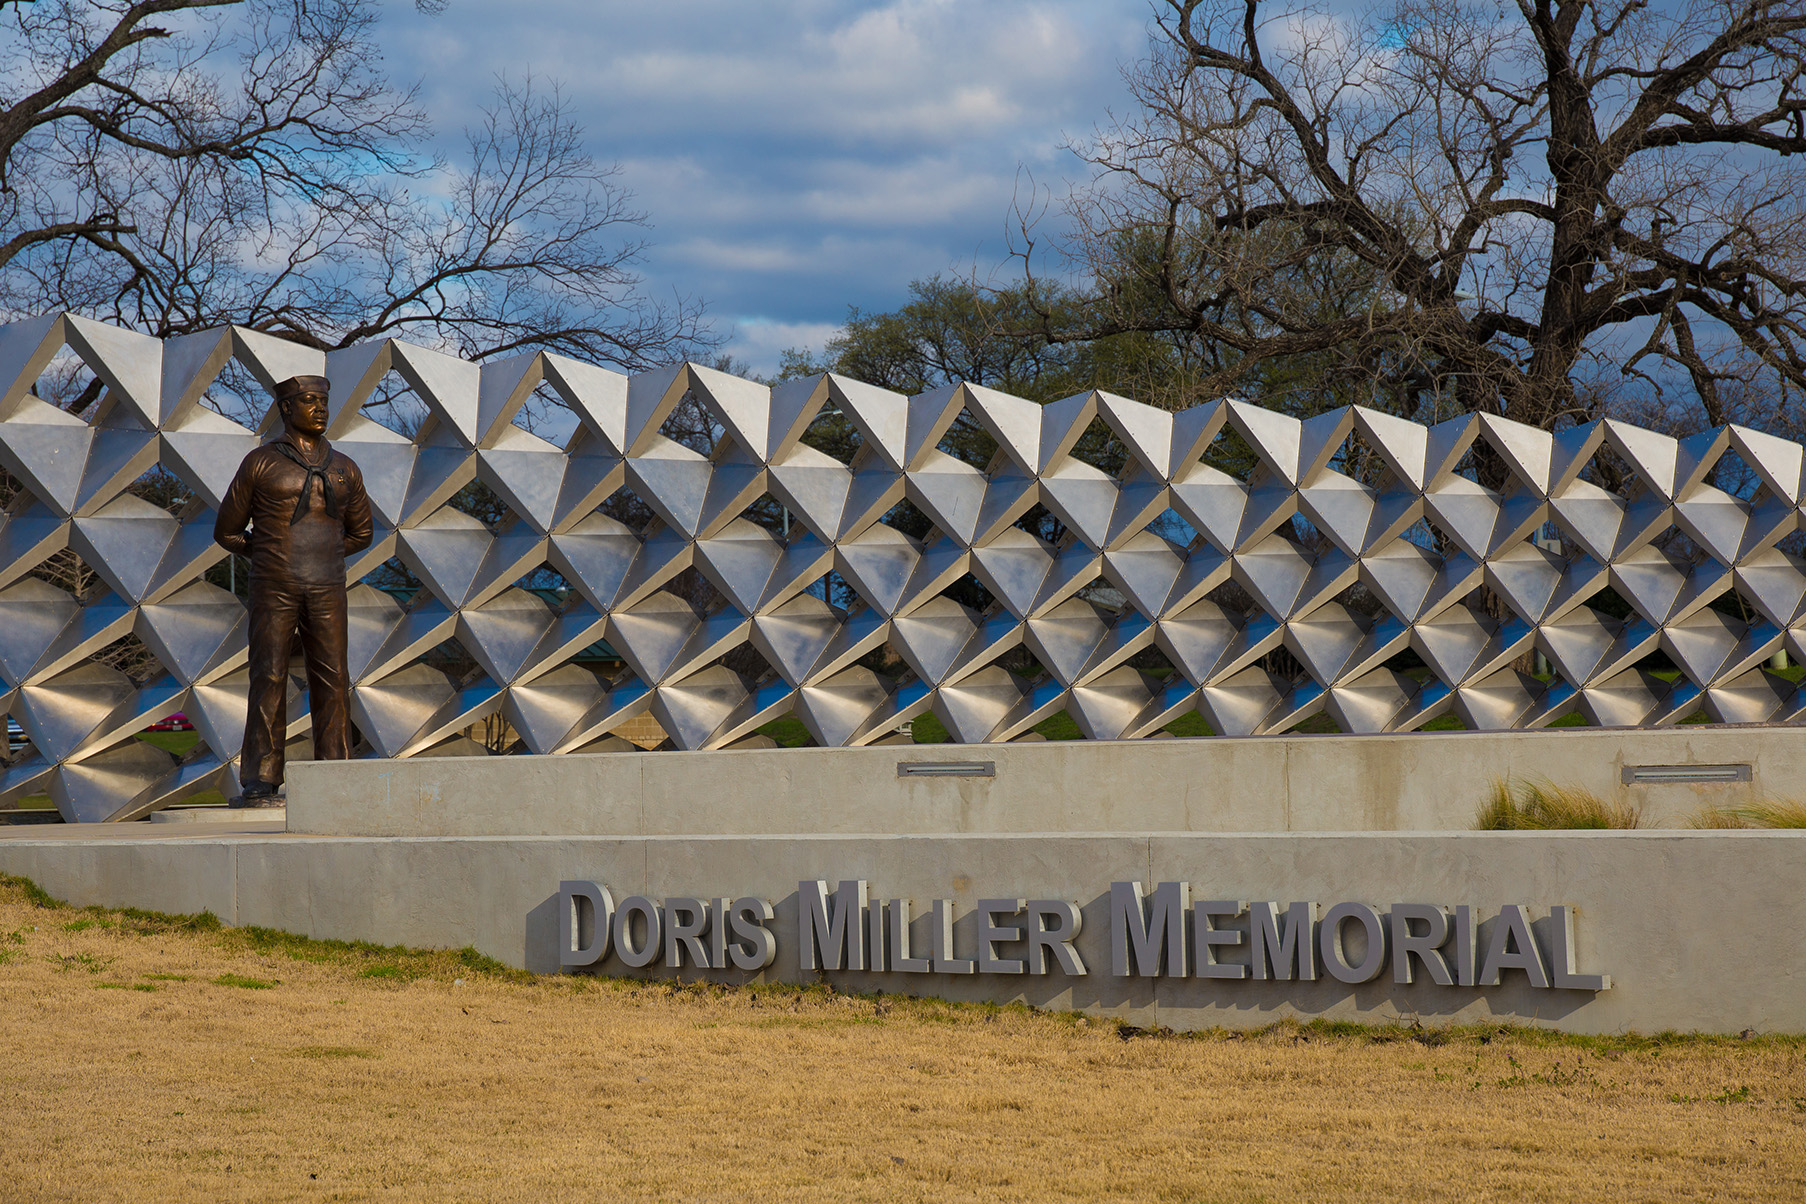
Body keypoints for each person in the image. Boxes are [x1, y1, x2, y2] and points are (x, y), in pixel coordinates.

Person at [213, 375, 373, 805]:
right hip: (274, 586)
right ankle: (261, 777)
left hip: (327, 587)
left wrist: (325, 556)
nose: (319, 408)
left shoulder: (345, 467)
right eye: (308, 401)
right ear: (287, 408)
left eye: (323, 400)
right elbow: (227, 531)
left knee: (334, 677)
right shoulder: (260, 463)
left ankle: (336, 772)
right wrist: (268, 555)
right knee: (268, 675)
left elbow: (362, 532)